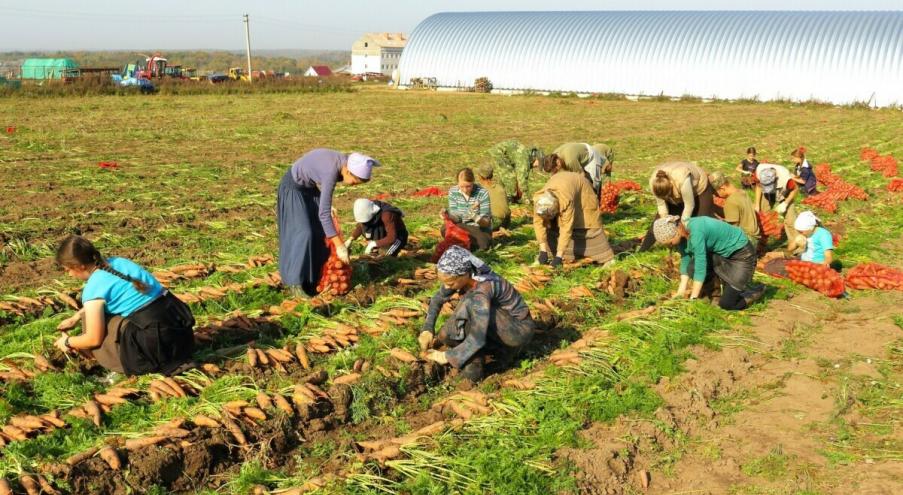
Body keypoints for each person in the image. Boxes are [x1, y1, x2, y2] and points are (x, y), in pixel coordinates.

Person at [54, 235, 196, 376]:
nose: (69, 275)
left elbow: (93, 338)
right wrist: (75, 317)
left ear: (80, 266)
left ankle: (116, 363)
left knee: (93, 322)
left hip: (159, 351)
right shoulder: (119, 262)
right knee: (91, 313)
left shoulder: (92, 289)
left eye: (68, 270)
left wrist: (67, 342)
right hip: (183, 337)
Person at [420, 246, 535, 382]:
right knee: (447, 334)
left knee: (470, 302)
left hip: (517, 331)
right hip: (492, 323)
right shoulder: (465, 278)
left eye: (450, 283)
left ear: (464, 274)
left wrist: (445, 356)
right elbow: (437, 299)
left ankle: (497, 355)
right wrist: (427, 329)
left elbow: (477, 337)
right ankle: (476, 357)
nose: (447, 287)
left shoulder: (483, 288)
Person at [277, 148, 379, 295]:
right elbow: (323, 214)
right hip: (293, 189)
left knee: (319, 232)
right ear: (349, 172)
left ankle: (314, 279)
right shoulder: (331, 171)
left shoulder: (342, 163)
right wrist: (340, 246)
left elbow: (318, 179)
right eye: (355, 182)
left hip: (309, 189)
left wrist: (324, 202)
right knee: (304, 233)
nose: (353, 185)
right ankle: (295, 283)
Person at [652, 216, 765, 310]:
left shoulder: (696, 231)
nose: (669, 246)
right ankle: (715, 296)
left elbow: (701, 266)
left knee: (727, 305)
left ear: (676, 232)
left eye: (670, 243)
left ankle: (754, 291)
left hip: (742, 255)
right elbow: (686, 258)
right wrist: (681, 291)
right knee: (692, 267)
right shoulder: (682, 236)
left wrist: (693, 299)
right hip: (722, 255)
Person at [533, 170, 615, 268]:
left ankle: (606, 258)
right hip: (563, 182)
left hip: (582, 190)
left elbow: (566, 228)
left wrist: (559, 257)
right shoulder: (540, 202)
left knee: (588, 223)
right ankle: (550, 254)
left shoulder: (566, 200)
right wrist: (543, 250)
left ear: (557, 206)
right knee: (551, 226)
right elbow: (538, 224)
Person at [640, 161, 719, 251]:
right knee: (658, 221)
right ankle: (642, 250)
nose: (669, 199)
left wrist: (682, 227)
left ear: (671, 186)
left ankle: (706, 248)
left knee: (701, 219)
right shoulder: (654, 184)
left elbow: (689, 205)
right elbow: (661, 206)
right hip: (675, 188)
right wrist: (665, 224)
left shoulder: (682, 180)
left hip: (699, 187)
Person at [753, 163, 804, 253]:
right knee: (763, 217)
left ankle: (796, 245)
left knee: (790, 220)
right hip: (767, 194)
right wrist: (757, 204)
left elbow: (795, 189)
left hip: (785, 193)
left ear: (775, 178)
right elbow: (758, 186)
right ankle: (761, 245)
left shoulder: (786, 179)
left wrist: (785, 203)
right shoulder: (760, 170)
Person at [444, 167, 492, 250]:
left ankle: (463, 242)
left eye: (468, 186)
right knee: (444, 229)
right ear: (457, 183)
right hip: (461, 225)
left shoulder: (482, 193)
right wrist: (447, 215)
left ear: (473, 182)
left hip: (477, 228)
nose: (465, 190)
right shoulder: (453, 192)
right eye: (462, 186)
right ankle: (466, 242)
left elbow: (486, 222)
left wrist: (475, 217)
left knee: (483, 242)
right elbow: (456, 217)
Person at [709, 171, 760, 248]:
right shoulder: (741, 192)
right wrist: (713, 207)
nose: (716, 196)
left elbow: (732, 231)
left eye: (716, 193)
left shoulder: (731, 201)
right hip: (754, 238)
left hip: (745, 242)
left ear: (722, 188)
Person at [546, 142, 615, 195]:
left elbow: (582, 176)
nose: (556, 171)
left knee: (595, 182)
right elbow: (553, 176)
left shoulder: (570, 161)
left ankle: (596, 203)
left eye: (555, 169)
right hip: (578, 152)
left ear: (558, 162)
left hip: (590, 156)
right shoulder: (553, 156)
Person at [487, 139, 543, 203]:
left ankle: (500, 196)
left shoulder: (525, 155)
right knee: (510, 177)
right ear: (535, 157)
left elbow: (521, 175)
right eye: (538, 163)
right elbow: (522, 180)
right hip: (499, 153)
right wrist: (526, 198)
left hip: (502, 154)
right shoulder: (524, 159)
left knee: (506, 176)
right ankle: (508, 198)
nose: (537, 166)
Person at [476, 163, 511, 230]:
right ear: (491, 175)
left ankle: (493, 232)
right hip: (506, 222)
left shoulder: (480, 190)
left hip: (494, 221)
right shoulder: (500, 187)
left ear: (480, 176)